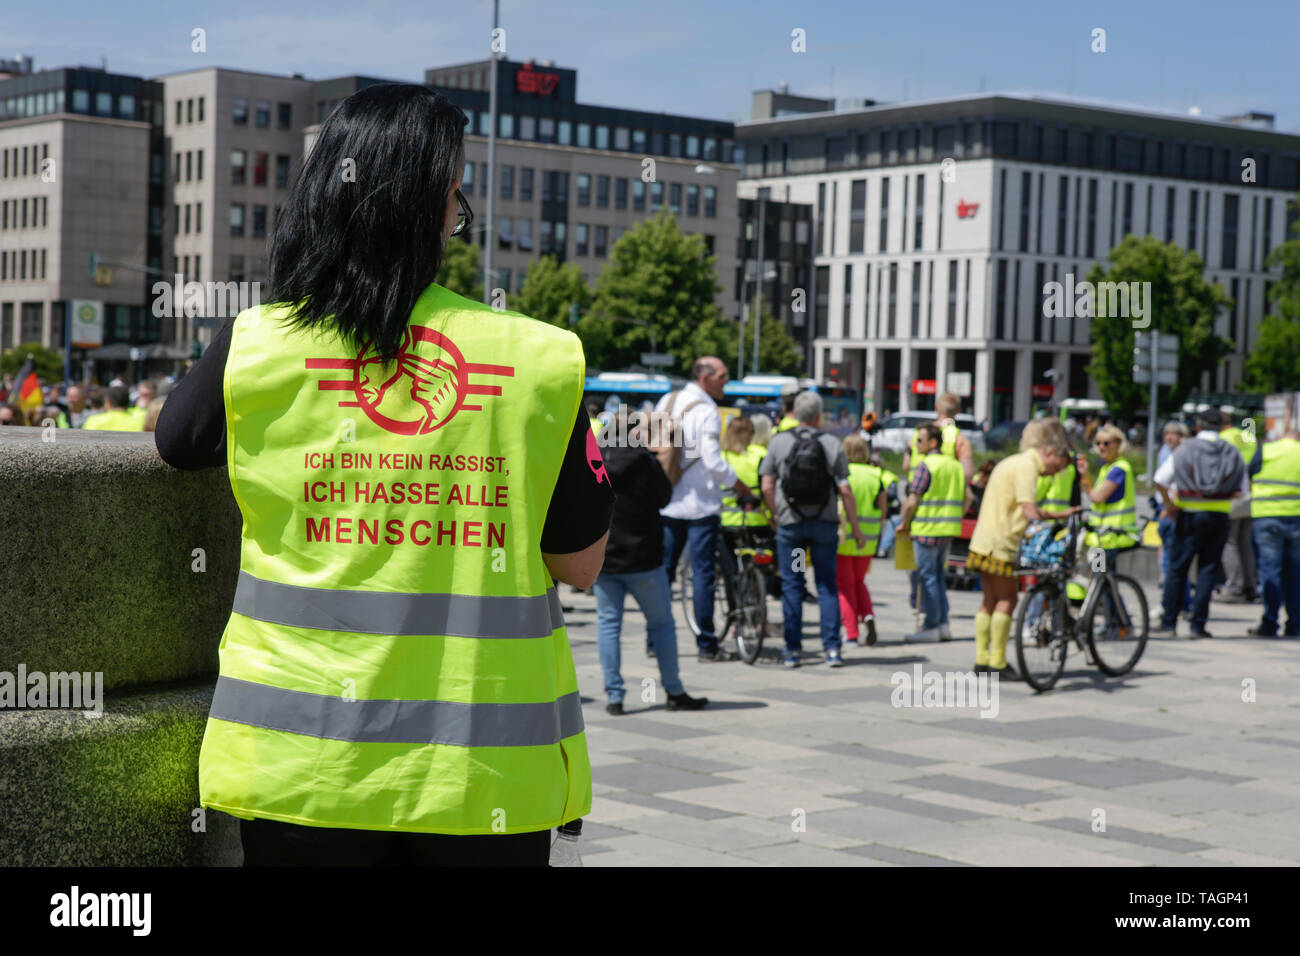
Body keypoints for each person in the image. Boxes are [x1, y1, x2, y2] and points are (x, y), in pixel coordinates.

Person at [154, 83, 612, 867]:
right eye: (456, 195)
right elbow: (580, 564)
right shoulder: (538, 359)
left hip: (299, 771)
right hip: (478, 780)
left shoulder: (256, 343)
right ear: (439, 213)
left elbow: (177, 442)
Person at [594, 407, 707, 714]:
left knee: (608, 624)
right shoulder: (644, 461)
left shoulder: (595, 457)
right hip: (643, 556)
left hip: (604, 556)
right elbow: (664, 498)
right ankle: (673, 690)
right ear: (634, 432)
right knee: (661, 625)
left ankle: (614, 696)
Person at [656, 356, 754, 662]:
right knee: (703, 576)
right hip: (700, 507)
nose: (727, 381)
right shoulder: (707, 411)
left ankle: (653, 639)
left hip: (667, 502)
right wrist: (740, 486)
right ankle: (706, 644)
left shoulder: (667, 401)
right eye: (723, 375)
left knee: (663, 573)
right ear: (705, 377)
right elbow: (713, 462)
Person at [759, 390, 865, 668]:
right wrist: (855, 527)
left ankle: (793, 650)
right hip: (823, 528)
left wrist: (775, 514)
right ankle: (832, 649)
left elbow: (767, 484)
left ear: (793, 413)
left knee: (793, 584)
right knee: (827, 586)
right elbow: (845, 489)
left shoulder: (779, 442)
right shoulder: (831, 443)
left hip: (792, 529)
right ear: (818, 416)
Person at [967, 433, 1076, 677]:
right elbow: (1028, 510)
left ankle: (981, 659)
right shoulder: (1027, 467)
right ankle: (998, 662)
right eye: (1055, 467)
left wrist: (1058, 514)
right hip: (1002, 543)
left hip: (983, 539)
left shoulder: (1012, 461)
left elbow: (1023, 506)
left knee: (989, 601)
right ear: (1049, 453)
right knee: (1007, 600)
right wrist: (1049, 534)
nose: (1052, 473)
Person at [1153, 408, 1247, 639]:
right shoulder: (1232, 452)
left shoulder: (1185, 449)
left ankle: (1169, 622)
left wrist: (1169, 505)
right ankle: (1198, 625)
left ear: (1198, 425)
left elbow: (1160, 480)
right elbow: (1242, 492)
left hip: (1189, 514)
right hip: (1219, 516)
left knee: (1177, 569)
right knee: (1208, 571)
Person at [898, 423, 966, 642]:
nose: (916, 444)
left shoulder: (927, 465)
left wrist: (904, 522)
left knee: (927, 579)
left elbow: (912, 500)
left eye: (920, 440)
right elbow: (969, 497)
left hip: (927, 529)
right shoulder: (954, 465)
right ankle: (943, 624)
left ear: (933, 442)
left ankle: (931, 626)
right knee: (937, 578)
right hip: (948, 529)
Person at [1246, 429, 1300, 638]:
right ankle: (1295, 624)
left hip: (1266, 517)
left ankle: (1270, 622)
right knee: (1295, 573)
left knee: (1270, 571)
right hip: (1297, 518)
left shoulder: (1267, 450)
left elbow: (1249, 473)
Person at [837, 435, 886, 646]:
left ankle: (851, 634)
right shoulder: (877, 475)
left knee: (844, 586)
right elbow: (883, 510)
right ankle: (868, 615)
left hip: (844, 538)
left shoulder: (842, 475)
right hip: (868, 539)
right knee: (859, 582)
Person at [1218, 410, 1258, 604]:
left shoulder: (1222, 438)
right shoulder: (1247, 436)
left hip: (1233, 495)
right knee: (1245, 542)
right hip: (1251, 493)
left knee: (1230, 542)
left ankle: (1235, 587)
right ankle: (1250, 586)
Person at [1155, 422, 1192, 610]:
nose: (1169, 437)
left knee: (1172, 561)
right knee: (1172, 560)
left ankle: (1172, 605)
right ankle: (1182, 603)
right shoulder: (1165, 452)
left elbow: (1163, 481)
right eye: (1167, 433)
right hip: (1166, 509)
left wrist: (1169, 505)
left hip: (1172, 512)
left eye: (1174, 433)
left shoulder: (1182, 453)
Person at [901, 392, 974, 482]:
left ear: (936, 408)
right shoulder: (959, 438)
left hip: (915, 489)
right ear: (959, 411)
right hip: (945, 492)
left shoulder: (920, 432)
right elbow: (968, 473)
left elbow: (906, 465)